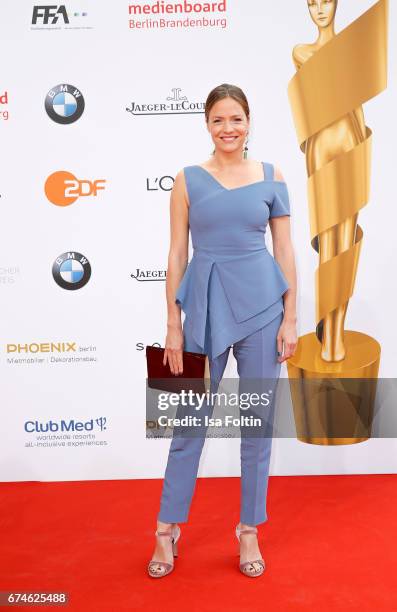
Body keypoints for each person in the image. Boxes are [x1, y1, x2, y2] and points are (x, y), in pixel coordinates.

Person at [148, 83, 298, 578]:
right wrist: (173, 322)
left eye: (236, 118)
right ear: (206, 125)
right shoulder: (187, 180)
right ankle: (166, 530)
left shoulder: (273, 176)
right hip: (204, 311)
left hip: (263, 311)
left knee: (256, 428)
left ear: (249, 122)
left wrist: (291, 317)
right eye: (218, 120)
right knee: (187, 424)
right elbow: (176, 253)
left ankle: (249, 530)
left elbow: (285, 252)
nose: (228, 128)